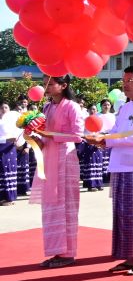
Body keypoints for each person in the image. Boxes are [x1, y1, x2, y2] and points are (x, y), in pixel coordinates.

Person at [86, 66, 133, 276]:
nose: (125, 84)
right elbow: (116, 132)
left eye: (130, 80)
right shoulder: (125, 107)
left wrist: (107, 142)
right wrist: (102, 138)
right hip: (120, 166)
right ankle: (130, 255)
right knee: (123, 214)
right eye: (124, 80)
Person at [30, 77, 86, 267]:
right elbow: (44, 138)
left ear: (64, 86)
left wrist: (51, 135)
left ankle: (68, 253)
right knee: (51, 207)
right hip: (49, 159)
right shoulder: (47, 108)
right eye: (45, 82)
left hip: (65, 159)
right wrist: (35, 137)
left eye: (51, 83)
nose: (46, 86)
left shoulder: (72, 106)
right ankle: (56, 251)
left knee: (66, 206)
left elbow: (78, 136)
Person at [0, 103, 18, 206]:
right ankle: (3, 198)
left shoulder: (13, 122)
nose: (3, 109)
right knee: (3, 171)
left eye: (6, 107)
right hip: (2, 149)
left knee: (11, 170)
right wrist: (6, 139)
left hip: (11, 149)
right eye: (1, 108)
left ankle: (11, 197)